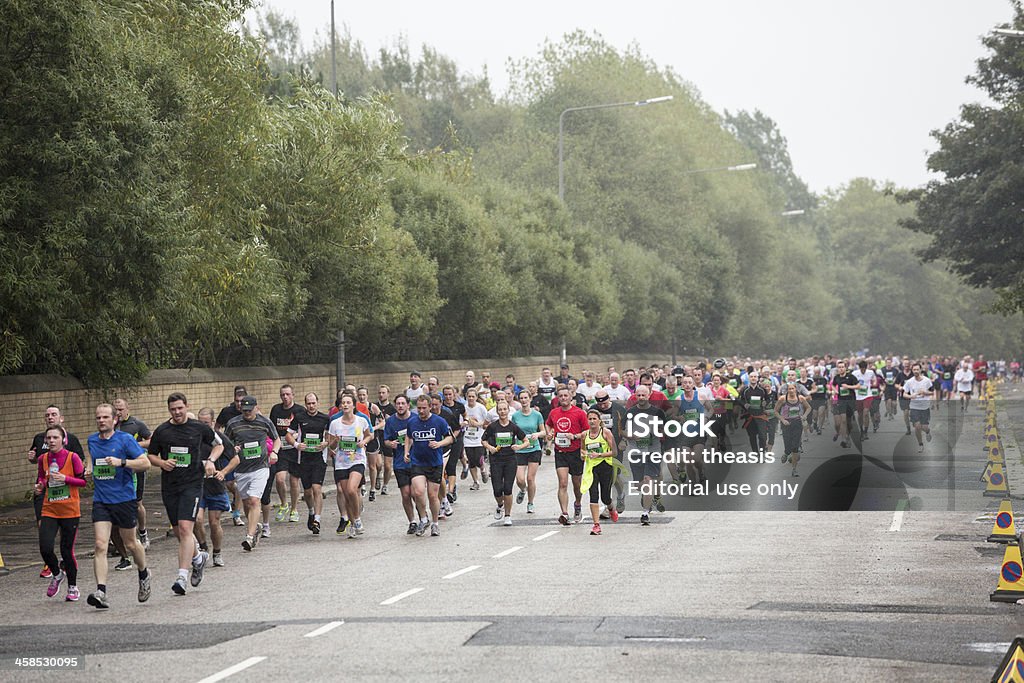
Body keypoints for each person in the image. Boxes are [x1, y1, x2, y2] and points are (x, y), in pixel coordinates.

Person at [148, 393, 222, 595]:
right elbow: (151, 455)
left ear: (186, 406)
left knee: (185, 527)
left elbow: (219, 445)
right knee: (180, 532)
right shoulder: (162, 431)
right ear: (169, 410)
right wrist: (162, 463)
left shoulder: (200, 428)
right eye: (173, 409)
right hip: (170, 486)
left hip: (192, 484)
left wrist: (210, 461)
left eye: (180, 408)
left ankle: (181, 577)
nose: (177, 412)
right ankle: (198, 558)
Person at [87, 403, 152, 609]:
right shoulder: (92, 440)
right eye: (98, 417)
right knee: (100, 545)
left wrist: (122, 462)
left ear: (115, 420)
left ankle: (143, 573)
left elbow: (145, 463)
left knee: (131, 544)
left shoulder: (124, 440)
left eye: (105, 417)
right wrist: (88, 469)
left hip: (124, 499)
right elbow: (93, 460)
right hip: (101, 501)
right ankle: (101, 591)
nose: (101, 421)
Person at [27, 405, 84, 578]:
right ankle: (50, 564)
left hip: (67, 499)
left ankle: (70, 577)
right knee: (44, 533)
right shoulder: (39, 439)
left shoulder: (71, 441)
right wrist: (40, 485)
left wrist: (66, 477)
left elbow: (80, 468)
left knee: (66, 545)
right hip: (46, 497)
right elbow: (39, 467)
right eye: (47, 415)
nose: (50, 417)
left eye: (54, 414)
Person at [35, 425, 86, 602]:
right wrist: (40, 486)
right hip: (50, 509)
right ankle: (57, 574)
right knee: (45, 547)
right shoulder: (43, 459)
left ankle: (73, 587)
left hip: (70, 510)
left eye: (55, 437)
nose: (51, 441)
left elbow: (83, 481)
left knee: (66, 550)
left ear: (63, 440)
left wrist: (66, 479)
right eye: (48, 438)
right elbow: (42, 478)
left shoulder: (73, 458)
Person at [224, 395, 279, 553]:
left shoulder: (264, 422)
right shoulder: (233, 424)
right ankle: (256, 526)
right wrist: (232, 449)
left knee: (255, 500)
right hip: (241, 469)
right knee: (247, 504)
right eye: (244, 410)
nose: (247, 413)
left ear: (256, 407)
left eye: (250, 410)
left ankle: (249, 535)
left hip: (261, 467)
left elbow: (277, 439)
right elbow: (225, 443)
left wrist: (274, 452)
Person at [406, 395, 454, 537]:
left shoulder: (439, 421)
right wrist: (406, 452)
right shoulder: (412, 422)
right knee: (418, 492)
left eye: (423, 408)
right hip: (417, 462)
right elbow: (409, 437)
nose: (420, 411)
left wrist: (439, 444)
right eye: (418, 408)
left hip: (434, 463)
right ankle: (423, 519)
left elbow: (450, 437)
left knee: (433, 496)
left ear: (430, 407)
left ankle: (435, 523)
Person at [327, 395, 374, 538]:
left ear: (354, 405)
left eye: (348, 403)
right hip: (341, 462)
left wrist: (363, 442)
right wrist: (335, 440)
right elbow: (331, 445)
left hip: (357, 460)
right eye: (343, 403)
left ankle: (358, 519)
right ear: (340, 406)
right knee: (346, 494)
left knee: (352, 489)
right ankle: (353, 524)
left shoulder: (361, 420)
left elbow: (369, 435)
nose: (345, 405)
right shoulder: (335, 423)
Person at [195, 408, 237, 566]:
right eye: (200, 422)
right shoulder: (194, 437)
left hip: (215, 486)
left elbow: (235, 459)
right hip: (197, 486)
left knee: (214, 522)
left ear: (213, 423)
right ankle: (203, 547)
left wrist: (223, 472)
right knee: (197, 520)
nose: (202, 426)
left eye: (205, 423)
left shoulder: (220, 438)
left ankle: (217, 552)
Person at [287, 393, 332, 535]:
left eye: (313, 403)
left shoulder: (325, 418)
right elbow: (288, 434)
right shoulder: (299, 417)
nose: (311, 406)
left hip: (319, 458)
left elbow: (330, 435)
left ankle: (317, 520)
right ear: (305, 404)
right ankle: (311, 512)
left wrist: (325, 443)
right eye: (308, 403)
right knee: (307, 491)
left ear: (317, 403)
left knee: (316, 488)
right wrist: (296, 444)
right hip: (304, 458)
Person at [113, 398, 152, 554]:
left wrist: (134, 445)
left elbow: (151, 440)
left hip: (136, 467)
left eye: (121, 409)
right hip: (118, 470)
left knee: (137, 503)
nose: (118, 412)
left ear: (128, 408)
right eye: (116, 410)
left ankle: (143, 533)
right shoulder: (112, 426)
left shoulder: (137, 424)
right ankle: (121, 540)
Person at [546, 387, 590, 526]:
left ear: (571, 397)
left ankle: (577, 504)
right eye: (561, 396)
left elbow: (587, 431)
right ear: (558, 398)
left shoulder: (579, 413)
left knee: (577, 484)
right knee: (563, 483)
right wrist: (549, 434)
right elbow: (548, 425)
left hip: (576, 451)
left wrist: (575, 436)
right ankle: (564, 513)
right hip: (560, 452)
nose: (563, 398)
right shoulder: (554, 413)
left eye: (566, 395)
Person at [482, 400, 531, 526]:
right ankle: (500, 505)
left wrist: (519, 447)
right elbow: (483, 440)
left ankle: (508, 516)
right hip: (496, 461)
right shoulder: (492, 426)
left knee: (507, 489)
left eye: (505, 409)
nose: (502, 412)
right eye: (500, 410)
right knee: (497, 490)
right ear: (497, 411)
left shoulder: (513, 427)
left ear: (508, 411)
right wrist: (490, 448)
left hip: (510, 460)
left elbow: (526, 441)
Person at [383, 396, 417, 534]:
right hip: (400, 463)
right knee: (405, 494)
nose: (400, 406)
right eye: (398, 404)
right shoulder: (391, 421)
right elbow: (386, 440)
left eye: (403, 403)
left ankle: (423, 517)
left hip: (416, 461)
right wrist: (390, 444)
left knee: (417, 493)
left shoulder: (415, 418)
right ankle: (412, 522)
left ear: (408, 405)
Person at [269, 385, 303, 523]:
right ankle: (284, 504)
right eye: (283, 395)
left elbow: (305, 427)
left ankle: (294, 509)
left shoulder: (299, 410)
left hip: (294, 449)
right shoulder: (276, 409)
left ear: (293, 395)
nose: (285, 397)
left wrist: (296, 436)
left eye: (288, 394)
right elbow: (271, 428)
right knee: (280, 479)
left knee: (294, 481)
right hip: (281, 449)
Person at [582, 409, 618, 535]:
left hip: (605, 466)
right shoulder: (584, 435)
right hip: (592, 469)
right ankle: (596, 525)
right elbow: (582, 452)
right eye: (590, 419)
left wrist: (600, 454)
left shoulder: (606, 432)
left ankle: (611, 508)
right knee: (593, 496)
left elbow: (614, 452)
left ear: (599, 420)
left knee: (605, 497)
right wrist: (585, 455)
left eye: (594, 419)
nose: (592, 421)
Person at [511, 390, 546, 514]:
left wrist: (537, 434)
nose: (524, 400)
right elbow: (512, 432)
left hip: (534, 449)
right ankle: (523, 490)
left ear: (530, 399)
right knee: (519, 479)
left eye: (526, 398)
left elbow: (544, 431)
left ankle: (530, 503)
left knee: (530, 478)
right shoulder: (515, 416)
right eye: (521, 398)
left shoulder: (537, 415)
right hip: (520, 449)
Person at [775, 385, 811, 477]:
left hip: (797, 423)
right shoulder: (783, 398)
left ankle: (794, 469)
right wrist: (783, 420)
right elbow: (775, 411)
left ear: (796, 389)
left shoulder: (801, 398)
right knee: (788, 445)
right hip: (786, 423)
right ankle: (786, 453)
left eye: (792, 388)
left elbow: (808, 408)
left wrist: (805, 415)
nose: (791, 390)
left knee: (795, 447)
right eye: (789, 389)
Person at [461, 388, 489, 489]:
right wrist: (465, 423)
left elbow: (487, 422)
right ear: (466, 397)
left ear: (476, 397)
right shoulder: (463, 408)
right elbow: (460, 422)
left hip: (479, 438)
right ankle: (476, 482)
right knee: (471, 461)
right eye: (469, 396)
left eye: (473, 396)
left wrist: (478, 424)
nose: (471, 398)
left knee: (478, 459)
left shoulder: (481, 408)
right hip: (468, 438)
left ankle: (482, 469)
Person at [903, 363, 934, 452]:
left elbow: (932, 392)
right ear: (912, 370)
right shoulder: (909, 382)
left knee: (924, 427)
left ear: (920, 370)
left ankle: (928, 431)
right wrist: (910, 396)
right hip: (914, 407)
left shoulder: (927, 381)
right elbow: (904, 394)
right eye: (914, 370)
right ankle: (920, 444)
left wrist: (925, 392)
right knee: (917, 426)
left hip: (925, 407)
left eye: (917, 369)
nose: (916, 371)